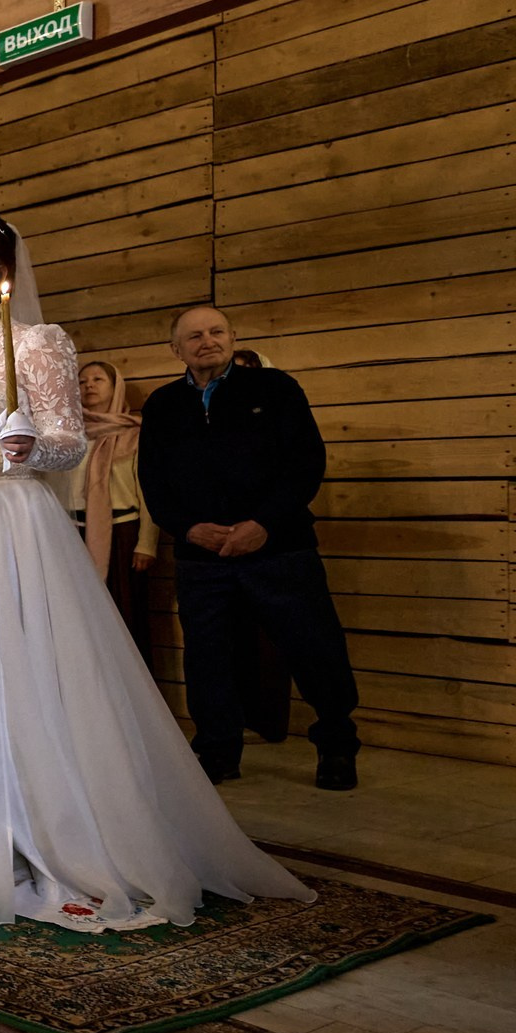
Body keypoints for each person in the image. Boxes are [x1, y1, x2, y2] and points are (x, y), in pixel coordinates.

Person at [0, 214, 312, 931]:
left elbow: (68, 441)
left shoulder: (36, 342)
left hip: (4, 522)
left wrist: (29, 445)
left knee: (5, 673)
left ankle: (25, 821)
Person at [140, 305, 361, 792]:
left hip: (279, 548)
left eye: (217, 331)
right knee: (208, 657)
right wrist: (187, 527)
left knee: (313, 648)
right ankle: (217, 750)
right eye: (194, 336)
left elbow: (306, 464)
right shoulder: (161, 405)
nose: (207, 341)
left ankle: (336, 745)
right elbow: (153, 483)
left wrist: (263, 523)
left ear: (233, 338)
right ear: (176, 349)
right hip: (202, 557)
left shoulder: (276, 389)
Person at [53, 360, 159, 657]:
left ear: (115, 388)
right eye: (83, 381)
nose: (89, 385)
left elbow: (150, 493)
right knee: (80, 617)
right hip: (73, 534)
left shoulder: (134, 434)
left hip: (123, 535)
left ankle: (133, 696)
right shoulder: (68, 436)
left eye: (98, 379)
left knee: (125, 615)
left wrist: (147, 544)